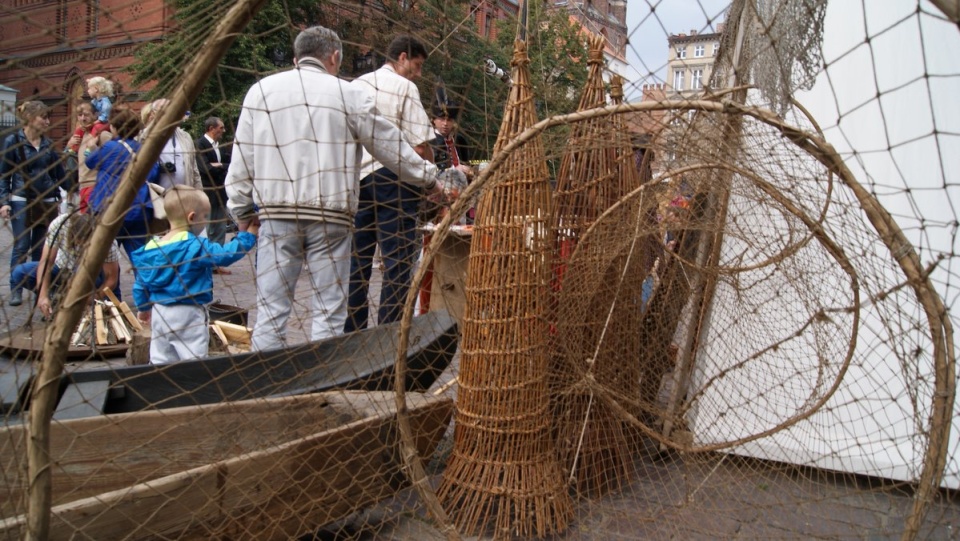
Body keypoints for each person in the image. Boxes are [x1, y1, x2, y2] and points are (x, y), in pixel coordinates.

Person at [226, 25, 440, 352]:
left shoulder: (261, 91)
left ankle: (267, 388)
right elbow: (389, 145)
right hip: (332, 218)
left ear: (297, 57)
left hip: (277, 216)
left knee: (271, 311)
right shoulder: (348, 93)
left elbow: (242, 157)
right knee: (328, 311)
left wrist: (241, 211)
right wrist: (430, 176)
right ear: (335, 57)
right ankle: (322, 385)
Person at [345, 34, 437, 333]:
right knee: (397, 263)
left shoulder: (355, 85)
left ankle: (352, 332)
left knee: (357, 262)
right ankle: (386, 337)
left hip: (357, 182)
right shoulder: (404, 87)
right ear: (401, 58)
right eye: (417, 64)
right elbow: (420, 146)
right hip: (395, 181)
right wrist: (431, 176)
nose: (418, 73)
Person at [132, 185, 258, 364]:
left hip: (160, 311)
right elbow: (225, 255)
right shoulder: (195, 246)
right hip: (188, 311)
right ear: (192, 217)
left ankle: (161, 387)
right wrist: (248, 236)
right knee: (194, 357)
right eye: (205, 217)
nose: (206, 221)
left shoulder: (150, 248)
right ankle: (195, 386)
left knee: (161, 357)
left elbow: (140, 284)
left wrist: (143, 308)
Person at [0, 101, 69, 306]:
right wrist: (4, 202)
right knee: (21, 246)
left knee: (41, 248)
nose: (48, 121)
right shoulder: (14, 140)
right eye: (44, 117)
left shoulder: (48, 144)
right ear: (31, 118)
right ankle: (16, 288)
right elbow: (4, 174)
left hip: (47, 200)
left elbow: (59, 174)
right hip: (22, 199)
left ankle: (40, 289)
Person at [10, 212, 122, 319]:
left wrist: (92, 298)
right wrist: (42, 295)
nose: (82, 245)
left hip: (92, 274)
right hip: (62, 267)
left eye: (86, 242)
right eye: (79, 241)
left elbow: (111, 279)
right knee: (19, 273)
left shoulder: (106, 239)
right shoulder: (59, 225)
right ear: (72, 233)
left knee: (83, 276)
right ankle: (54, 296)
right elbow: (46, 262)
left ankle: (77, 300)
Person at [85, 105, 160, 259]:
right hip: (138, 209)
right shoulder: (144, 150)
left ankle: (111, 283)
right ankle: (145, 283)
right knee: (140, 257)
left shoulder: (109, 147)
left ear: (114, 127)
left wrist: (91, 148)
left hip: (110, 209)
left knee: (104, 257)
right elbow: (153, 174)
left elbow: (90, 162)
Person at [140, 99, 202, 192]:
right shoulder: (143, 138)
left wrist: (199, 193)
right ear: (153, 114)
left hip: (185, 195)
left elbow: (194, 171)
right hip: (155, 197)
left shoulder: (186, 137)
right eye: (163, 111)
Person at [66, 101, 114, 213]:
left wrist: (93, 148)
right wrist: (69, 147)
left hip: (96, 185)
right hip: (81, 185)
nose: (83, 119)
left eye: (86, 115)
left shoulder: (103, 134)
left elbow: (113, 158)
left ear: (95, 115)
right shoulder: (80, 136)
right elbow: (71, 162)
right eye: (80, 115)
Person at [195, 116, 231, 251]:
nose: (224, 130)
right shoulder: (200, 144)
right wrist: (222, 167)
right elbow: (205, 169)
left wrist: (220, 165)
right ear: (211, 129)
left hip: (221, 193)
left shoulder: (220, 146)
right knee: (208, 229)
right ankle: (206, 260)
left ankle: (217, 261)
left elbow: (231, 165)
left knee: (221, 229)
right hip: (208, 193)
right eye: (221, 128)